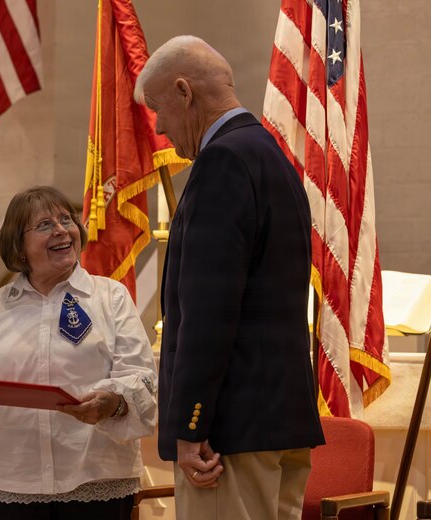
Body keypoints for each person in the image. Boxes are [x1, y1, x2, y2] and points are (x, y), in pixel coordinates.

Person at [134, 36, 324, 520]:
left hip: (227, 436)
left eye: (158, 109)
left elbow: (208, 311)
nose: (159, 126)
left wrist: (192, 421)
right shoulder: (271, 157)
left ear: (184, 91)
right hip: (279, 420)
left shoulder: (221, 162)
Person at [0, 186, 157, 520]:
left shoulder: (111, 297)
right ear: (18, 246)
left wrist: (115, 403)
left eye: (67, 220)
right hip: (10, 480)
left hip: (94, 475)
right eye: (45, 224)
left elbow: (142, 377)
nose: (62, 229)